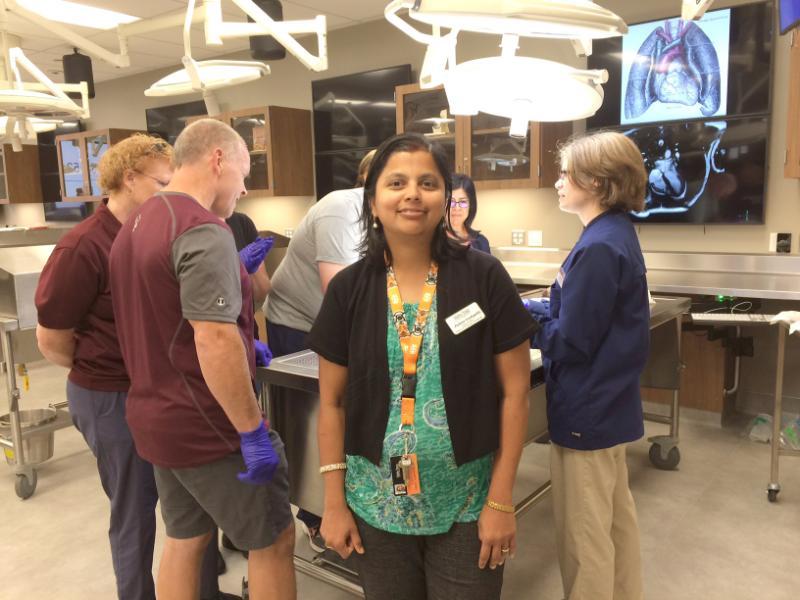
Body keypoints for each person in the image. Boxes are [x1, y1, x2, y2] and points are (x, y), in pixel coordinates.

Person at [308, 133, 536, 599]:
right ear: (373, 202)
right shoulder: (348, 290)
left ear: (446, 199)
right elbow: (331, 402)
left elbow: (515, 392)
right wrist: (333, 503)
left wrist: (501, 498)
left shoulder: (483, 276)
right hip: (376, 502)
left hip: (468, 502)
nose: (412, 193)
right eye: (396, 182)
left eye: (427, 183)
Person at [35, 134, 230, 600]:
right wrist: (107, 369)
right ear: (128, 179)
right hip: (110, 395)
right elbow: (52, 339)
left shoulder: (155, 230)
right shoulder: (82, 247)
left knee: (191, 510)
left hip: (159, 390)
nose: (172, 192)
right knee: (135, 512)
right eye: (164, 182)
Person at [108, 118, 295, 600]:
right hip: (208, 424)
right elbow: (211, 340)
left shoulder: (135, 225)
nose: (246, 186)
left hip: (156, 419)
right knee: (273, 540)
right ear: (217, 159)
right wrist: (251, 432)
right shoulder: (202, 229)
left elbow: (161, 316)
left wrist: (241, 330)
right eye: (244, 171)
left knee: (186, 539)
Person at [526, 131, 649, 600]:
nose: (558, 182)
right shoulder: (611, 234)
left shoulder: (598, 246)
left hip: (587, 411)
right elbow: (581, 315)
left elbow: (571, 341)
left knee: (584, 538)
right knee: (614, 523)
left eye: (565, 173)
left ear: (596, 181)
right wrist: (540, 311)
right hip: (609, 407)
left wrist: (525, 323)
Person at [264, 148, 374, 550]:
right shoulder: (340, 209)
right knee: (312, 418)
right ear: (369, 180)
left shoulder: (391, 219)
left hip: (345, 326)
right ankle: (314, 515)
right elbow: (340, 293)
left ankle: (351, 502)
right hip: (299, 323)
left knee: (350, 414)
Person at [448, 173, 490, 253]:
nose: (457, 208)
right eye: (451, 202)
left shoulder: (481, 243)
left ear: (471, 205)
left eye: (463, 202)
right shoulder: (430, 242)